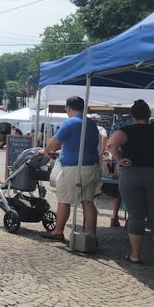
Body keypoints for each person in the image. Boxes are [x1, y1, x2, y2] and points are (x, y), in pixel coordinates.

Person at [107, 100, 154, 266]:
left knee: (136, 216)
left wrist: (120, 159)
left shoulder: (126, 130)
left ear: (132, 115)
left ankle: (135, 255)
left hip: (132, 173)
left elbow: (110, 144)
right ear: (149, 114)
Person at [40, 96, 101, 242]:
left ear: (68, 108)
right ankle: (92, 235)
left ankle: (58, 231)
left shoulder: (70, 122)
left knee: (64, 199)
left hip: (74, 167)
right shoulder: (92, 123)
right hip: (92, 165)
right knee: (88, 201)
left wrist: (44, 151)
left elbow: (55, 143)